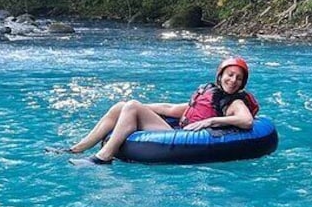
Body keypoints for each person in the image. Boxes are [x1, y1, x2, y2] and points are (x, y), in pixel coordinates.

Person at [49, 57, 259, 165]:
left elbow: (247, 121)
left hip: (187, 137)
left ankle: (104, 157)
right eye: (230, 75)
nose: (233, 81)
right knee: (123, 106)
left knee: (132, 107)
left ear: (242, 83)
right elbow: (173, 109)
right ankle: (77, 148)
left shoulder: (233, 101)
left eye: (238, 78)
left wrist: (212, 121)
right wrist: (140, 106)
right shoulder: (209, 91)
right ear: (220, 75)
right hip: (181, 129)